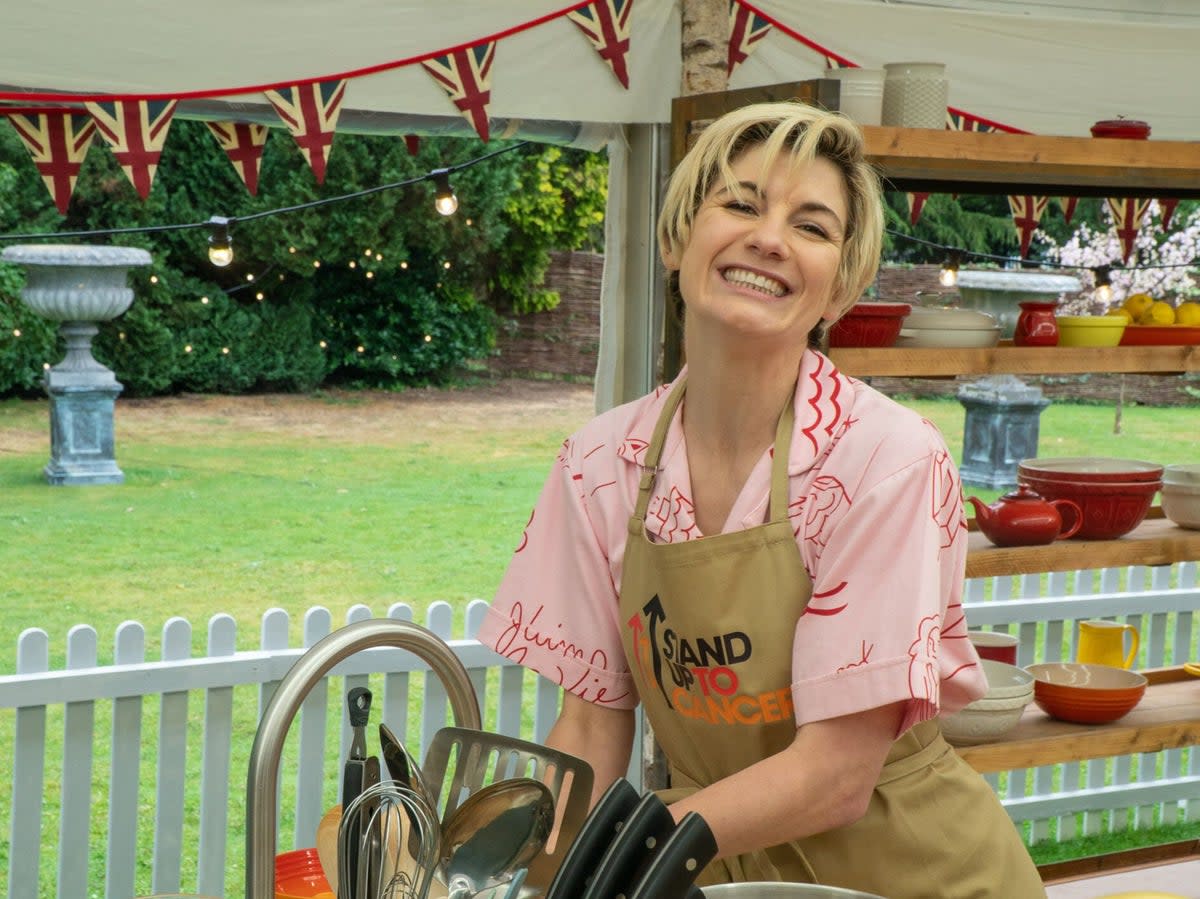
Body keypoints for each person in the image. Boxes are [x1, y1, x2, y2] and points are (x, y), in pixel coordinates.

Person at [477, 101, 1045, 898]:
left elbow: (837, 775)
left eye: (811, 226)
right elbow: (591, 724)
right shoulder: (600, 465)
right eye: (740, 204)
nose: (769, 238)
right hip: (713, 869)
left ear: (839, 288)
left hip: (914, 871)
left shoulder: (883, 459)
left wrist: (624, 859)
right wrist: (538, 878)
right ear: (677, 240)